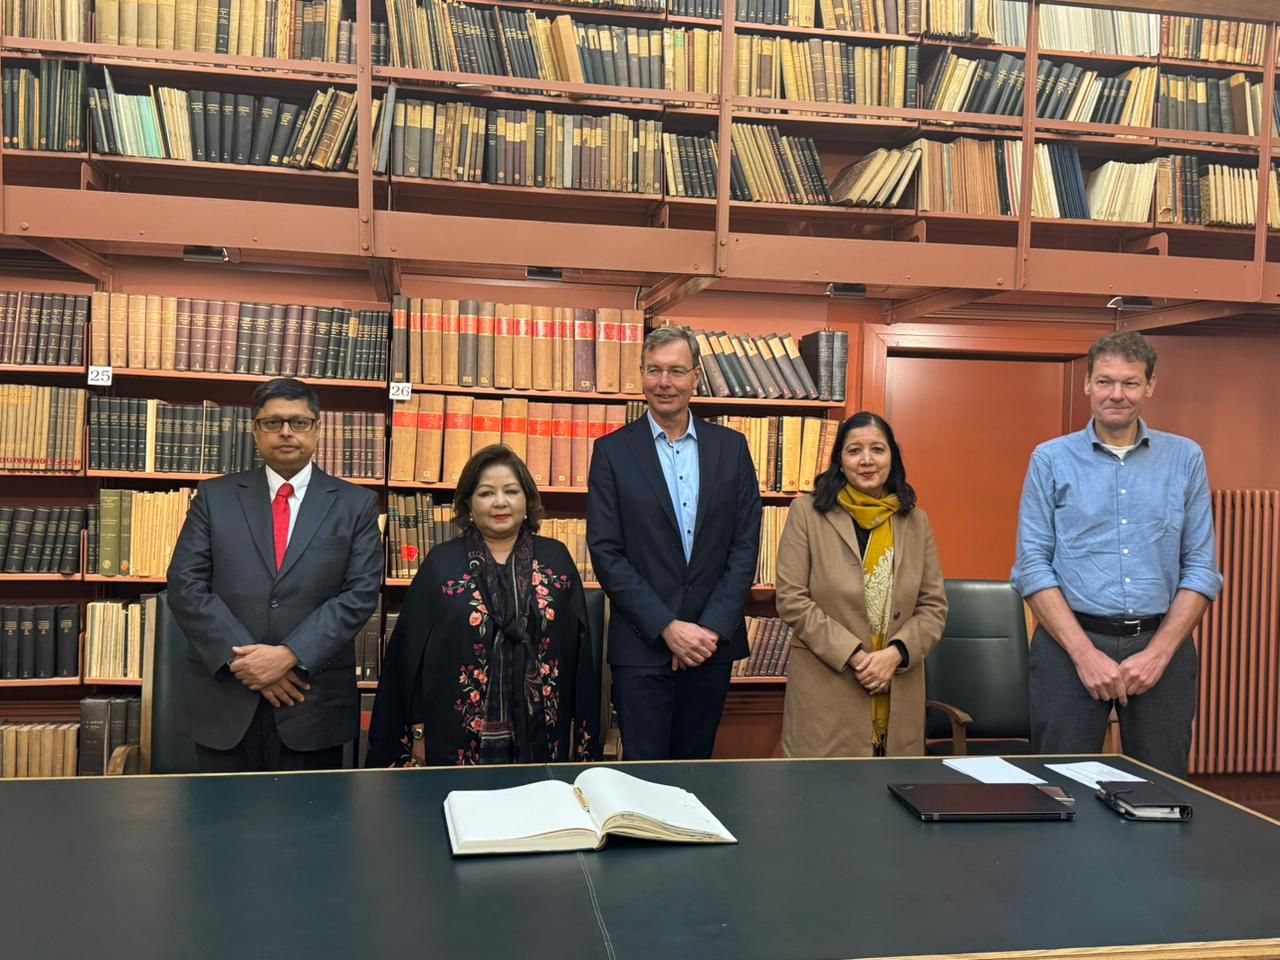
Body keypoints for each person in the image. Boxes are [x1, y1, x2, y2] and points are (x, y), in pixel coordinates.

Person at [1012, 331, 1222, 777]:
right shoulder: (1050, 459)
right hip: (1068, 647)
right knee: (1058, 788)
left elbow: (1201, 569)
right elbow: (1032, 567)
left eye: (1130, 382)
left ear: (1150, 386)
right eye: (1105, 381)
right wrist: (1084, 655)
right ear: (1087, 383)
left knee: (1163, 793)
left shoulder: (1185, 458)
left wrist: (1159, 654)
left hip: (1161, 647)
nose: (1116, 394)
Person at [167, 377, 383, 772]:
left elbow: (360, 594)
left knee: (310, 812)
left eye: (298, 422)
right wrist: (247, 663)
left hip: (311, 702)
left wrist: (289, 656)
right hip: (225, 699)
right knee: (219, 811)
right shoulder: (214, 497)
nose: (286, 432)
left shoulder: (356, 505)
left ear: (317, 429)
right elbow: (185, 584)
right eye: (273, 422)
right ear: (255, 430)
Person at [587, 326, 761, 761]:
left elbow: (744, 546)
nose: (664, 382)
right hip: (642, 647)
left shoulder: (732, 448)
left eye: (676, 371)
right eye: (654, 370)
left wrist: (709, 630)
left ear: (696, 377)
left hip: (711, 647)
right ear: (642, 375)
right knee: (644, 776)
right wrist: (668, 627)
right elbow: (606, 552)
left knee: (695, 770)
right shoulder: (611, 452)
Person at [367, 444, 599, 767]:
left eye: (511, 491)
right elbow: (409, 658)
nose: (500, 502)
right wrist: (417, 730)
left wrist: (577, 725)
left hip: (544, 733)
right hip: (454, 733)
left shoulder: (556, 560)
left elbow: (578, 654)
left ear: (527, 500)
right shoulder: (441, 565)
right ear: (468, 504)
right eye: (487, 493)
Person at [775, 411, 947, 757]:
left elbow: (933, 607)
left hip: (898, 689)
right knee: (826, 788)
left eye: (877, 449)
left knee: (894, 787)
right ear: (839, 460)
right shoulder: (807, 512)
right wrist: (856, 656)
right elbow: (792, 599)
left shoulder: (916, 520)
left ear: (892, 457)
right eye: (854, 450)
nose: (866, 460)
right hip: (827, 693)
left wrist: (895, 654)